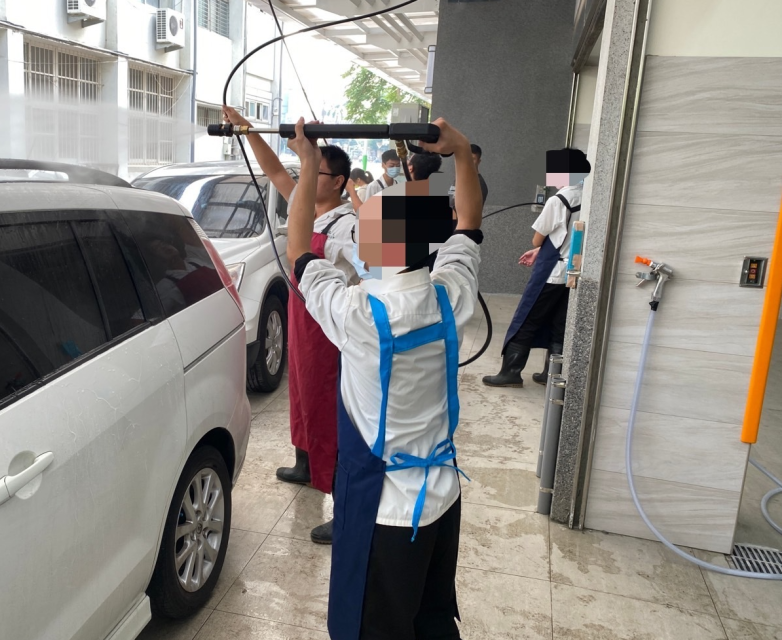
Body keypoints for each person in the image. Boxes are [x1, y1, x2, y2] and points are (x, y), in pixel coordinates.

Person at [284, 116, 483, 640]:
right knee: (433, 619)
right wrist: (461, 153)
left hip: (387, 513)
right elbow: (469, 222)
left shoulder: (355, 314)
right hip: (442, 499)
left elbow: (298, 247)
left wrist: (307, 164)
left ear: (380, 247)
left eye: (366, 220)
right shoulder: (451, 293)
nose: (359, 218)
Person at [222, 106, 360, 545]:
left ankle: (345, 506)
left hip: (330, 324)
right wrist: (246, 129)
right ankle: (305, 462)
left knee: (328, 407)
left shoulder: (352, 224)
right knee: (299, 393)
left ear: (337, 181)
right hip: (302, 317)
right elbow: (273, 170)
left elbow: (378, 271)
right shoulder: (307, 208)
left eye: (315, 173)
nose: (303, 180)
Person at [483, 147, 590, 387]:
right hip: (572, 271)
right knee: (559, 322)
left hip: (551, 273)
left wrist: (537, 247)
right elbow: (569, 237)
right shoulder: (587, 197)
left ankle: (510, 372)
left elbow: (537, 238)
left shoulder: (558, 199)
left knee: (527, 318)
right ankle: (550, 374)